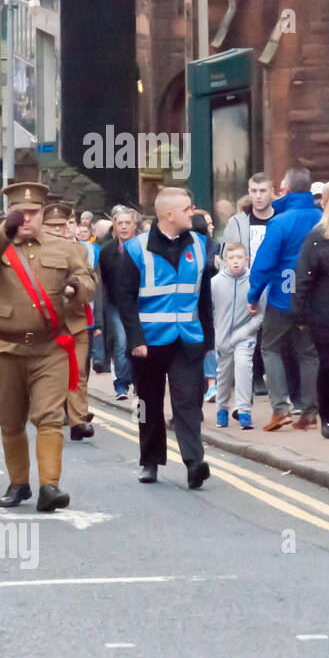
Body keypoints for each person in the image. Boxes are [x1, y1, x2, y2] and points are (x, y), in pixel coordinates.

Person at [0, 182, 94, 510]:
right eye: (19, 213)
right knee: (10, 420)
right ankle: (18, 484)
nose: (26, 219)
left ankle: (49, 486)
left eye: (33, 213)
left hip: (49, 348)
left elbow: (88, 280)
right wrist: (5, 231)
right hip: (5, 348)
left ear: (43, 214)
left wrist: (76, 289)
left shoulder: (66, 248)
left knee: (49, 417)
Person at [114, 187, 218, 488]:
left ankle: (194, 462)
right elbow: (125, 298)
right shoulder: (136, 249)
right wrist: (135, 341)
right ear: (169, 215)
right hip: (148, 341)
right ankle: (150, 461)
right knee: (149, 403)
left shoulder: (200, 245)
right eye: (187, 209)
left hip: (187, 339)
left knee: (188, 402)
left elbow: (204, 297)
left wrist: (207, 340)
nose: (193, 212)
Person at [249, 168, 322, 430]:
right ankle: (310, 413)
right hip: (313, 299)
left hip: (282, 297)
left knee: (270, 347)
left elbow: (264, 264)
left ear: (287, 190)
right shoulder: (322, 218)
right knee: (309, 354)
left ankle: (280, 409)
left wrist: (253, 295)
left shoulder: (280, 221)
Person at [42, 202, 97, 441]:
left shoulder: (79, 251)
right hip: (44, 323)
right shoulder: (33, 251)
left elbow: (89, 282)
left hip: (74, 319)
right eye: (50, 225)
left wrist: (76, 288)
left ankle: (78, 420)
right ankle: (51, 415)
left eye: (60, 225)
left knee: (78, 371)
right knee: (50, 375)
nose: (56, 229)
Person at [293, 186, 329, 439]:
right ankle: (328, 417)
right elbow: (302, 278)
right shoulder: (318, 237)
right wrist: (299, 313)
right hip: (327, 316)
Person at [212, 242, 264, 430]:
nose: (235, 262)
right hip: (223, 337)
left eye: (239, 258)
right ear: (225, 261)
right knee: (224, 375)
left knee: (244, 367)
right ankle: (222, 408)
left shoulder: (255, 282)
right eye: (231, 258)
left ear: (247, 259)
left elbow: (260, 315)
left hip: (246, 336)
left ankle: (244, 411)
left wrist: (243, 333)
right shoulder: (215, 283)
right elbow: (209, 311)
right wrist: (215, 336)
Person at [99, 205, 141, 400]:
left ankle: (140, 382)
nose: (124, 227)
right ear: (115, 226)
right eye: (120, 223)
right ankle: (121, 385)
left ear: (134, 225)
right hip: (117, 305)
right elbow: (105, 282)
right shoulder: (107, 251)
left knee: (140, 343)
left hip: (140, 304)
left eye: (127, 223)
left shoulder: (143, 247)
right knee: (123, 343)